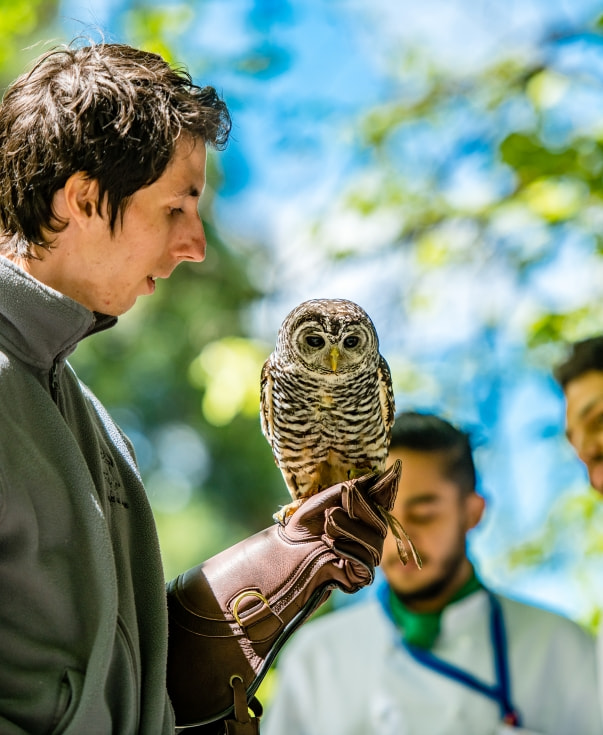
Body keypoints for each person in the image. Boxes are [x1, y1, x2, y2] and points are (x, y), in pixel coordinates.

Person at [0, 41, 401, 734]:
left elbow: (105, 683)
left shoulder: (89, 417)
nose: (196, 246)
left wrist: (251, 592)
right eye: (176, 208)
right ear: (84, 198)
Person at [262, 411, 602, 735]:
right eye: (382, 517)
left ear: (472, 513)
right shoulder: (316, 659)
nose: (400, 540)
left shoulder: (561, 649)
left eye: (424, 515)